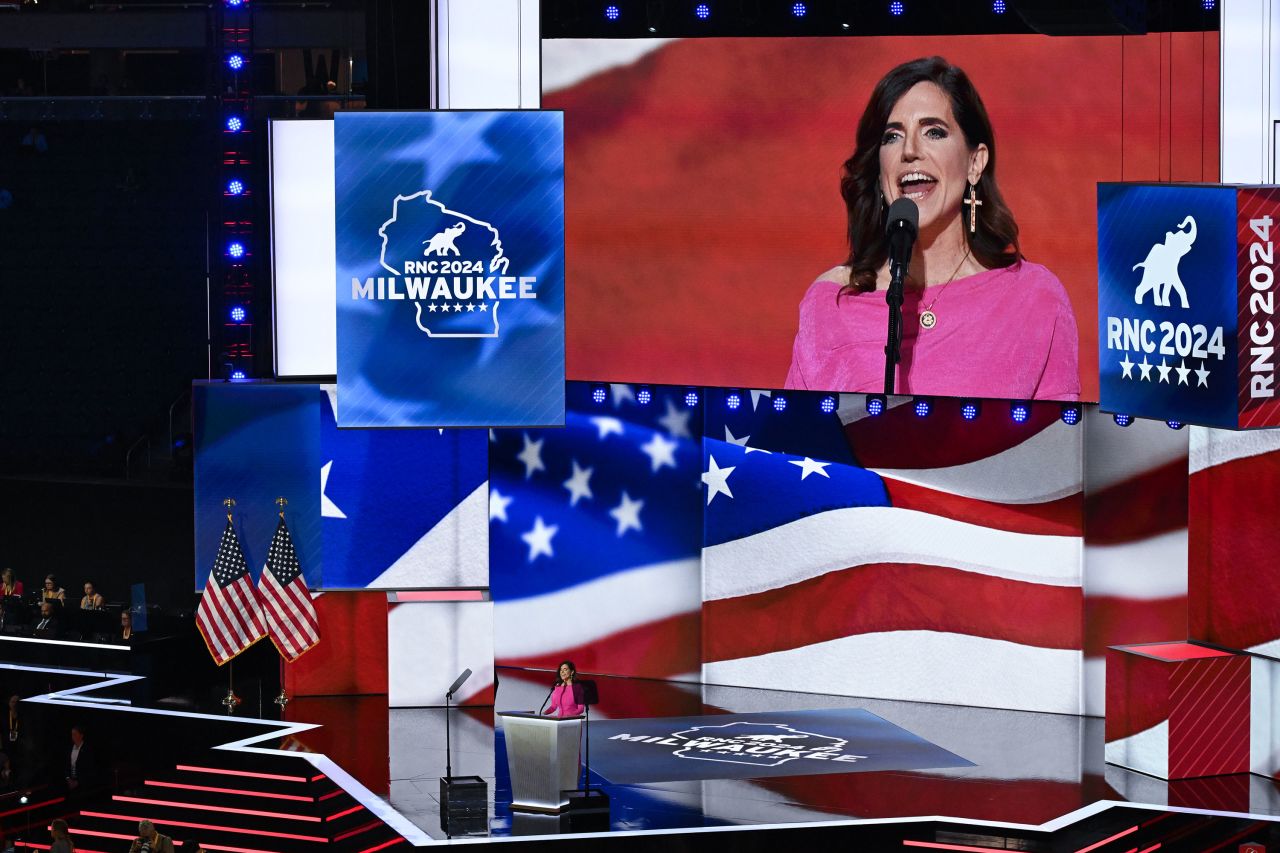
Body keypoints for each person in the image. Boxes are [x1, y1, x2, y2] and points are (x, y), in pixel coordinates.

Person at [786, 56, 1079, 402]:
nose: (910, 151)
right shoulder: (831, 303)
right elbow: (790, 445)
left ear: (975, 162)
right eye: (892, 137)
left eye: (934, 132)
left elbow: (1057, 448)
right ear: (880, 171)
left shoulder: (1034, 298)